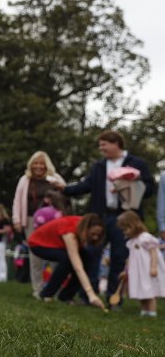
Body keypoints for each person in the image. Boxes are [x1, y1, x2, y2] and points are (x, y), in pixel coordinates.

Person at [56, 131, 155, 308]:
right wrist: (65, 189)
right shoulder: (99, 166)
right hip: (100, 217)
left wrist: (131, 183)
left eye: (104, 144)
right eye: (100, 144)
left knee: (118, 257)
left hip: (123, 218)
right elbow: (86, 185)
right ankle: (88, 296)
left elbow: (148, 189)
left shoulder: (136, 164)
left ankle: (113, 299)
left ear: (116, 143)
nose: (101, 148)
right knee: (91, 254)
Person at [11, 151, 66, 298]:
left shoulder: (55, 178)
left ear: (47, 165)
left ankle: (55, 290)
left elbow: (65, 195)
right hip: (30, 220)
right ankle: (38, 288)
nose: (38, 166)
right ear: (31, 165)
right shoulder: (25, 180)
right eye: (36, 163)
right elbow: (17, 200)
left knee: (56, 255)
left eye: (42, 163)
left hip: (53, 222)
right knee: (35, 255)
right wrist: (16, 219)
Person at [28, 213, 106, 309]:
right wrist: (91, 294)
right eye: (93, 234)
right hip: (38, 244)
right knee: (68, 259)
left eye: (98, 235)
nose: (95, 238)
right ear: (86, 229)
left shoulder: (83, 225)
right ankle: (46, 294)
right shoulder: (70, 232)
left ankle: (65, 296)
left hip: (59, 245)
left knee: (87, 258)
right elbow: (78, 267)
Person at [117, 211, 165, 317]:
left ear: (133, 225)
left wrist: (153, 267)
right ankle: (144, 311)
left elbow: (154, 253)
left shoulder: (145, 237)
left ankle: (152, 312)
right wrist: (125, 271)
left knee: (149, 291)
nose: (124, 232)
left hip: (147, 270)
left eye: (125, 229)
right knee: (142, 291)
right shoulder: (131, 241)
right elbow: (130, 258)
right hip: (138, 271)